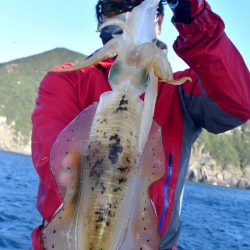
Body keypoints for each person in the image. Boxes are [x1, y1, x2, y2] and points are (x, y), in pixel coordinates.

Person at [31, 0, 250, 249]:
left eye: (138, 4)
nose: (128, 14)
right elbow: (54, 161)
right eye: (114, 9)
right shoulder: (70, 79)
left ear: (158, 22)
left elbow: (238, 103)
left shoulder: (181, 91)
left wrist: (193, 16)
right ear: (101, 21)